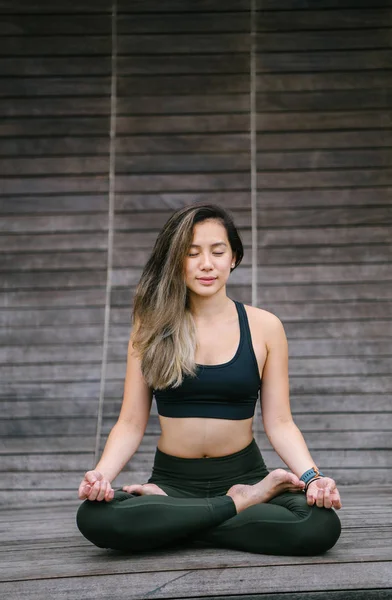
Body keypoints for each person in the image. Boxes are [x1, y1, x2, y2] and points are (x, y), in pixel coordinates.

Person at [76, 203, 342, 556]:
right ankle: (235, 507)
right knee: (94, 517)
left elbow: (279, 422)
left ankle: (172, 525)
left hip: (245, 475)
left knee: (320, 524)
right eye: (192, 253)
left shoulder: (265, 327)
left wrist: (312, 478)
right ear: (177, 260)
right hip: (172, 483)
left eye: (218, 251)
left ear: (233, 257)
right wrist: (101, 476)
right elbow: (129, 422)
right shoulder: (152, 325)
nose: (206, 264)